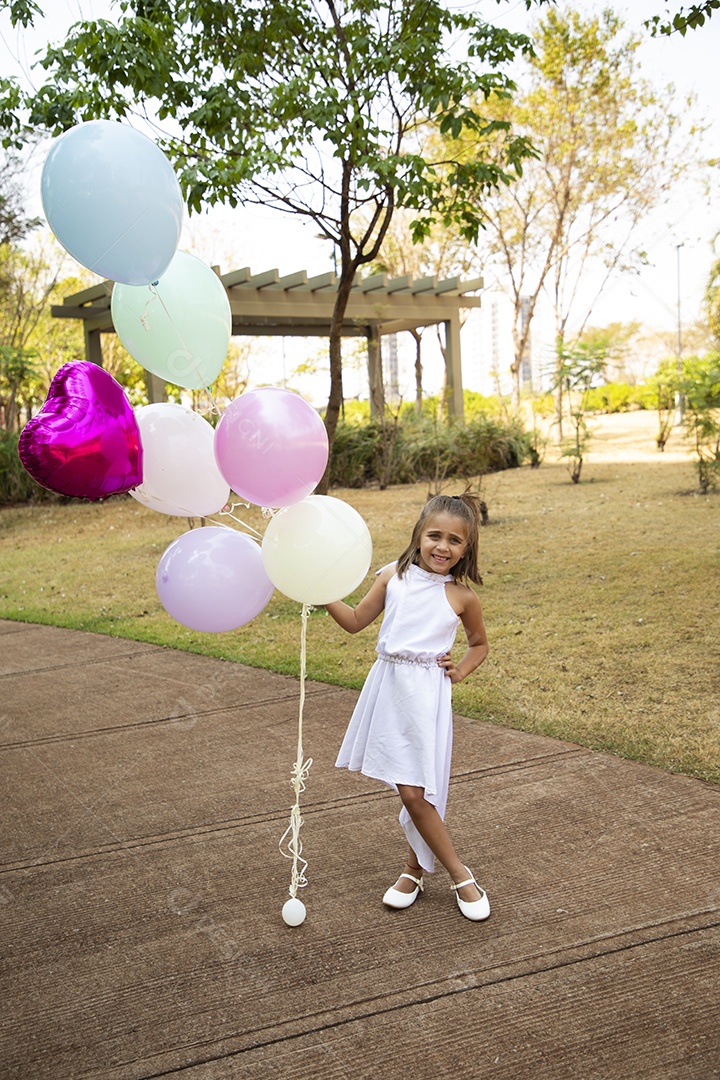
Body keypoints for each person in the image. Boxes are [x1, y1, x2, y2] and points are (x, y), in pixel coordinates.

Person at [325, 492, 491, 921]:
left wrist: (460, 671)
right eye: (434, 535)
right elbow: (355, 621)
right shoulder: (391, 578)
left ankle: (447, 872)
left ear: (466, 549)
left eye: (455, 541)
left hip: (426, 698)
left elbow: (479, 644)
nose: (442, 547)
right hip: (388, 689)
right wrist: (319, 591)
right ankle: (419, 870)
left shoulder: (461, 598)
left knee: (420, 790)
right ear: (418, 535)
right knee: (413, 788)